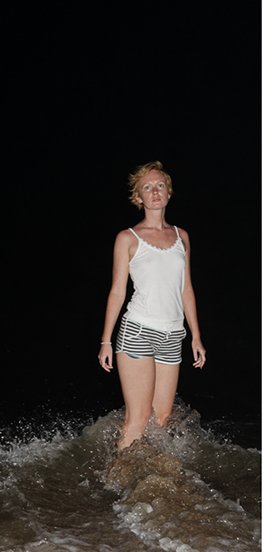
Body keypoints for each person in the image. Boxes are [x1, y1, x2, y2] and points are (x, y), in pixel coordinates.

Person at [97, 161, 207, 451]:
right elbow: (117, 291)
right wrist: (106, 341)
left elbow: (186, 289)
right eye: (147, 187)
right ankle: (117, 473)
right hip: (138, 331)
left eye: (160, 185)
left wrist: (196, 336)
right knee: (138, 418)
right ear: (139, 197)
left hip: (173, 335)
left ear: (168, 192)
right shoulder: (127, 238)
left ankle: (149, 472)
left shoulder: (182, 236)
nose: (155, 191)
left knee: (161, 418)